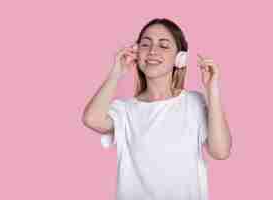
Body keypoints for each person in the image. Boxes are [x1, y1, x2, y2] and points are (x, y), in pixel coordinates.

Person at [82, 18, 232, 200]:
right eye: (145, 44)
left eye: (164, 45)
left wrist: (212, 90)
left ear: (180, 58)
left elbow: (221, 151)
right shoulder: (125, 110)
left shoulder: (194, 103)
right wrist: (117, 72)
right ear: (137, 54)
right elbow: (92, 119)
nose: (153, 51)